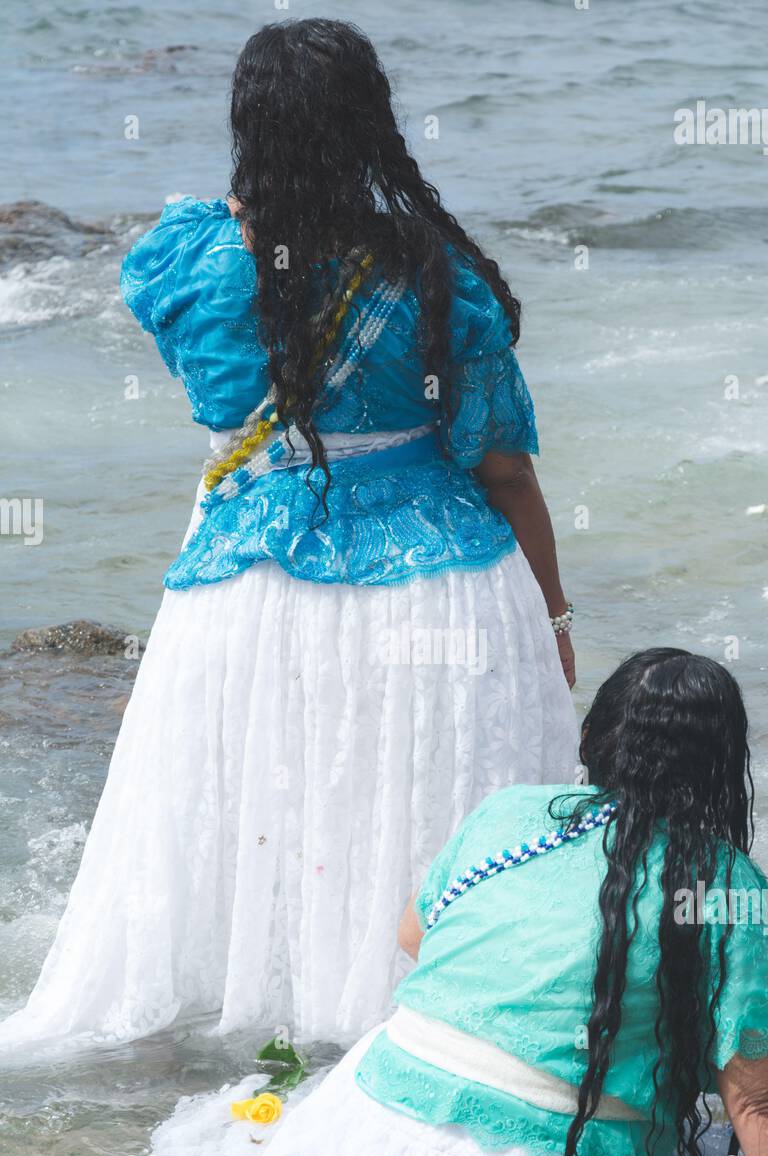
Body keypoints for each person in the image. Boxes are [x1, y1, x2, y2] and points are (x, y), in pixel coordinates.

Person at [0, 20, 577, 1054]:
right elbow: (503, 469)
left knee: (271, 804)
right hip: (435, 585)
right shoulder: (436, 274)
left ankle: (252, 1021)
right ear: (373, 125)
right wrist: (556, 616)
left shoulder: (190, 259)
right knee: (398, 809)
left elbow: (205, 347)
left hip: (244, 584)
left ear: (245, 127)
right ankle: (404, 1014)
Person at [147, 649, 768, 1156]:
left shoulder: (512, 813)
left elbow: (414, 934)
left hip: (361, 1131)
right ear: (722, 768)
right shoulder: (728, 885)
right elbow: (763, 1102)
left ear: (593, 735)